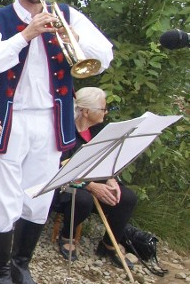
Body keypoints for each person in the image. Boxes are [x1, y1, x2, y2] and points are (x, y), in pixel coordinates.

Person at [0, 0, 114, 284]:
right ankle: (0, 273)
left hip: (51, 120)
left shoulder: (66, 14)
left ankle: (22, 265)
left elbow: (104, 54)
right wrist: (26, 34)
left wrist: (72, 38)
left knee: (38, 197)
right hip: (9, 118)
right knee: (3, 198)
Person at [53, 87, 137, 268]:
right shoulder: (65, 131)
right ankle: (67, 235)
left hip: (96, 182)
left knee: (127, 197)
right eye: (102, 109)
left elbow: (108, 160)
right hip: (66, 185)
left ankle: (108, 244)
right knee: (83, 198)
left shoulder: (101, 131)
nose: (105, 112)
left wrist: (111, 178)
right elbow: (61, 167)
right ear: (85, 111)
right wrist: (90, 185)